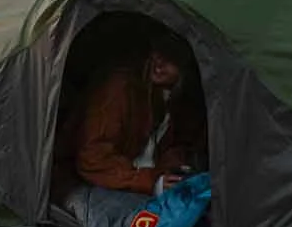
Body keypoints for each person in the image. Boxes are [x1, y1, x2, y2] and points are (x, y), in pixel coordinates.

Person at [69, 29, 206, 198]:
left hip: (133, 181)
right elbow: (92, 158)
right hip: (90, 184)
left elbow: (177, 145)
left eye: (173, 60)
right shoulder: (119, 88)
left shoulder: (176, 100)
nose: (160, 62)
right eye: (159, 51)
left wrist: (171, 170)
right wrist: (149, 181)